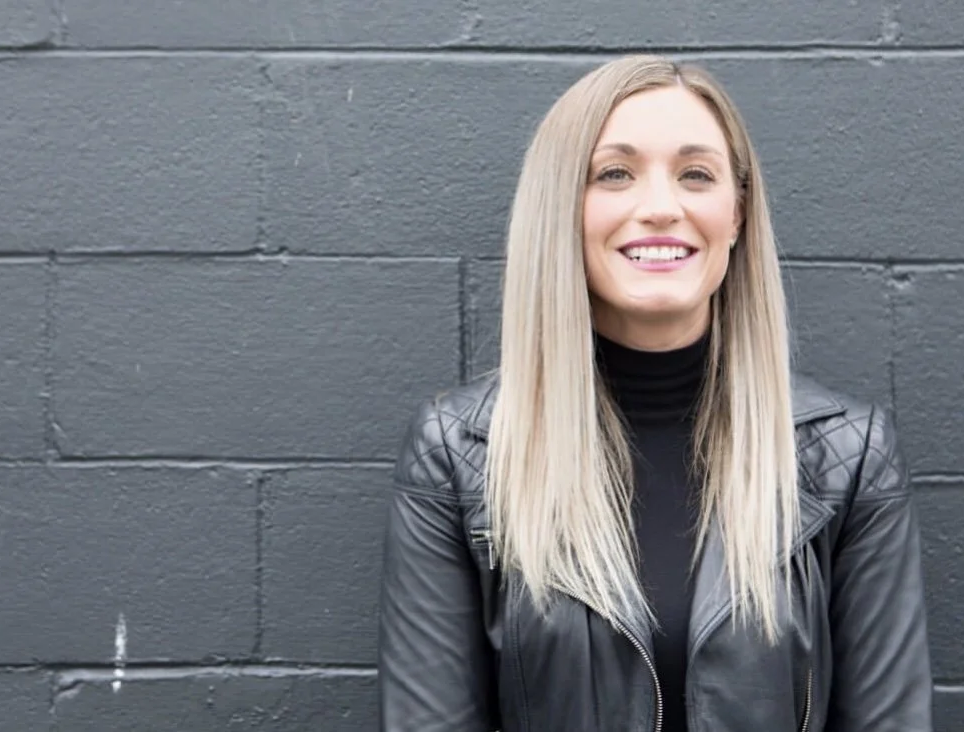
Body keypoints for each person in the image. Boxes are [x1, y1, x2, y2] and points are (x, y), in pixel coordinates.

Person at [377, 55, 932, 731]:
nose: (661, 208)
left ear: (736, 215)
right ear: (561, 211)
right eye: (614, 174)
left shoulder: (845, 458)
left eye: (696, 175)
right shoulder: (461, 454)